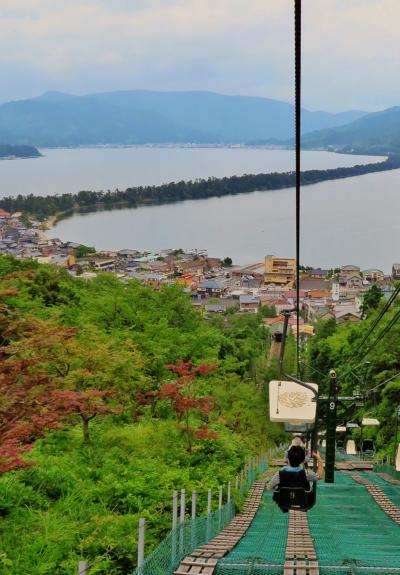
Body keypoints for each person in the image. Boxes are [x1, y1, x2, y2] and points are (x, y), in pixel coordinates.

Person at [267, 446, 324, 510]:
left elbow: (269, 487)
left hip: (283, 502)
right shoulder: (306, 474)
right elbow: (320, 475)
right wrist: (319, 459)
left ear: (288, 458)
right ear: (302, 460)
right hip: (304, 501)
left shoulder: (279, 474)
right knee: (311, 483)